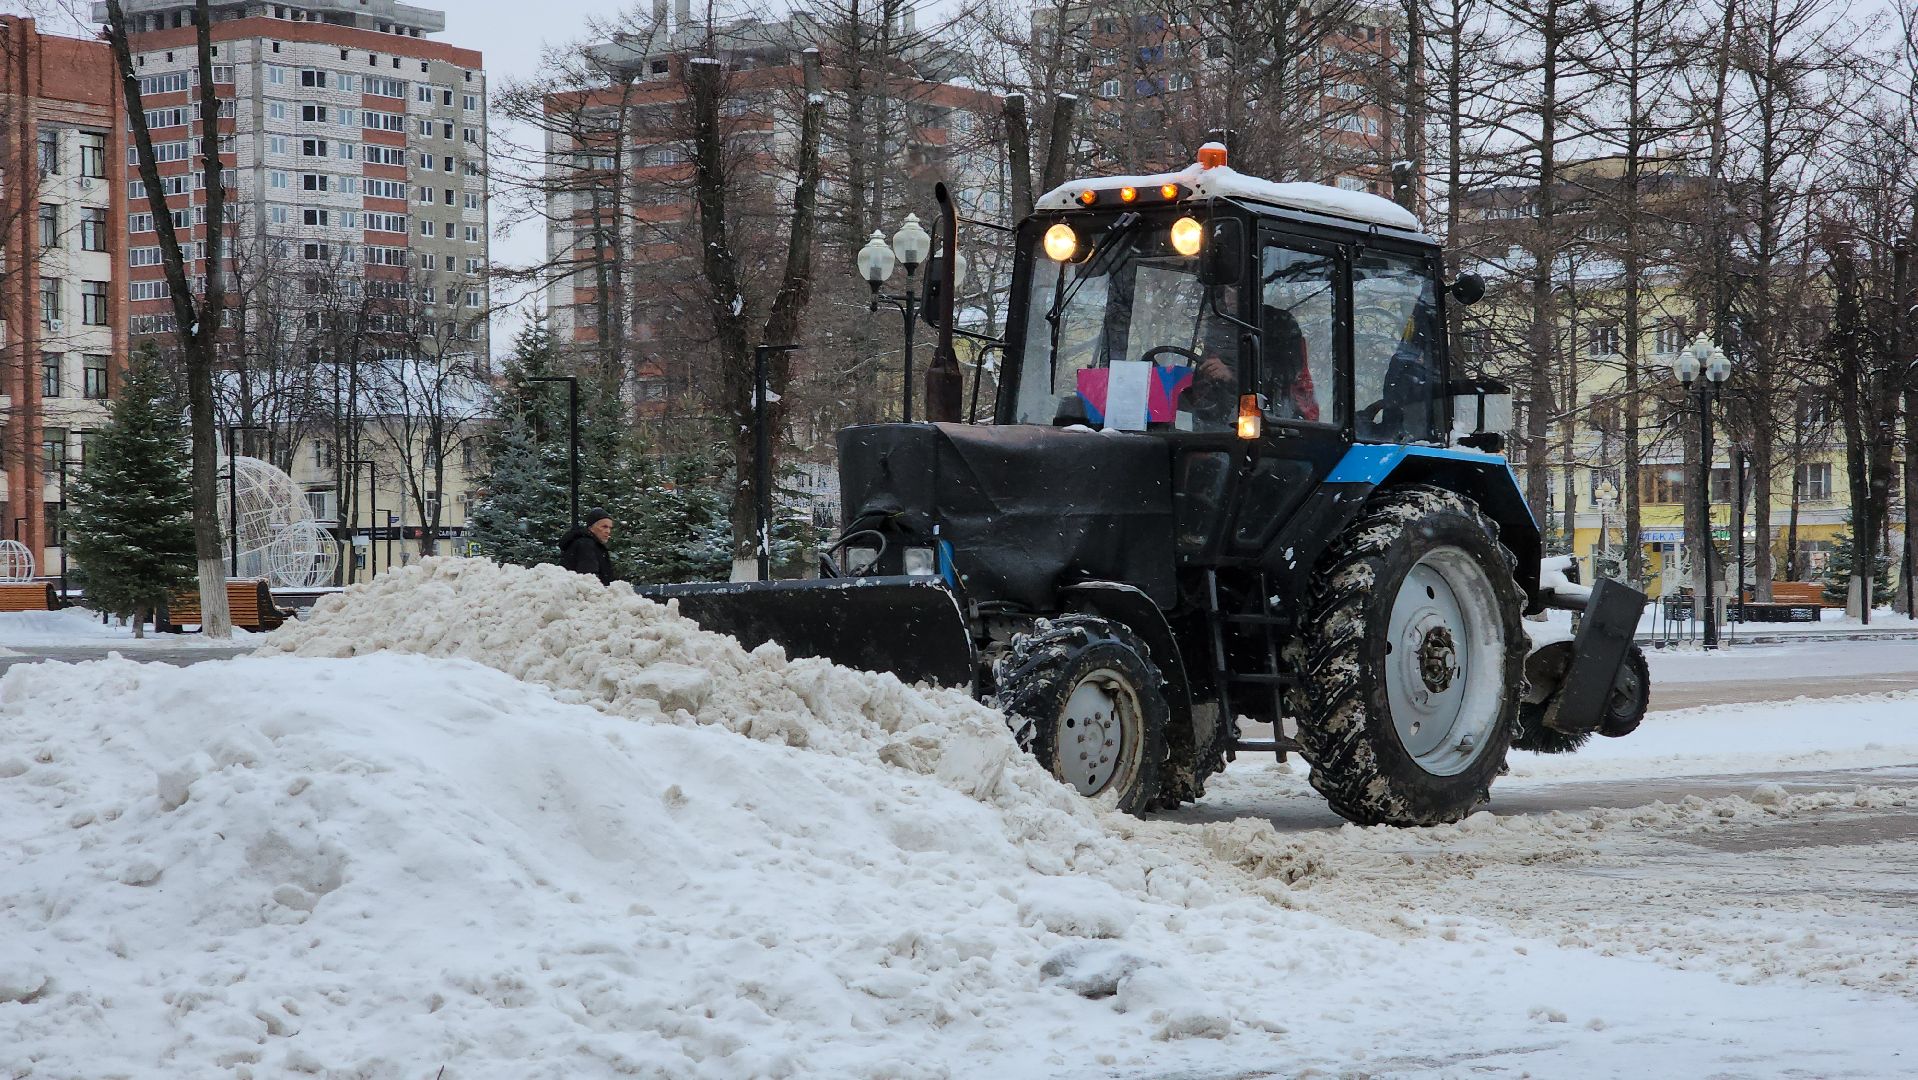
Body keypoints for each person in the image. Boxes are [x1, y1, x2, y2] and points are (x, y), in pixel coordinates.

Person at [559, 509, 615, 585]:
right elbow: (588, 579)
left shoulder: (592, 544)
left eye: (610, 528)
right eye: (604, 527)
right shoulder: (586, 545)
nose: (608, 531)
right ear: (591, 527)